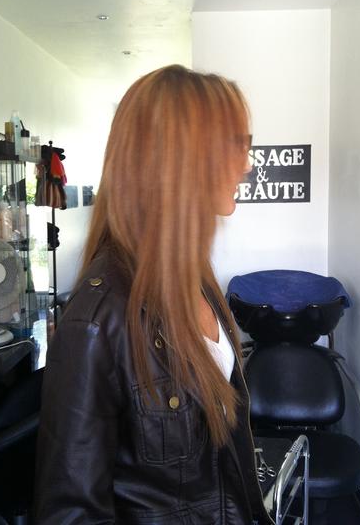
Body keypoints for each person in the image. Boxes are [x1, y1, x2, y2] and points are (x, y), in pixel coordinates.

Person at [34, 64, 271, 524]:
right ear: (180, 160)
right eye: (235, 145)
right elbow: (70, 513)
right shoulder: (98, 321)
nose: (247, 164)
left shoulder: (196, 277)